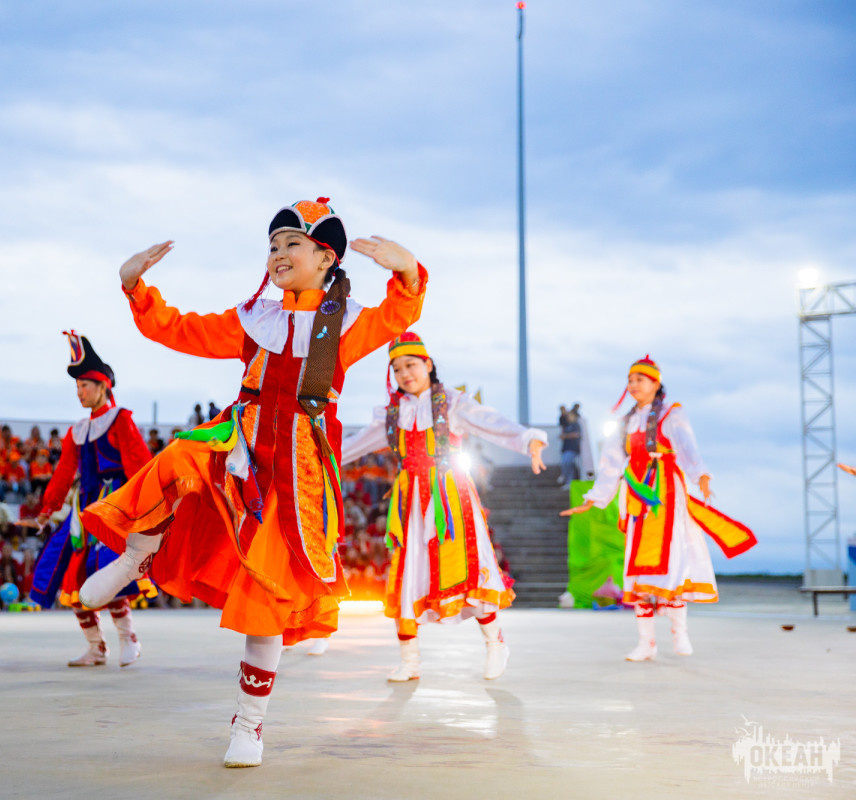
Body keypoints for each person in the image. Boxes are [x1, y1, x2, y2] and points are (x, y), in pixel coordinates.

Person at [77, 199, 427, 767]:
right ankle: (139, 555)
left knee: (269, 589)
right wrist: (135, 288)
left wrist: (407, 270)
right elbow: (182, 330)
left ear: (326, 256)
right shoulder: (254, 318)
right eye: (273, 245)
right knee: (179, 458)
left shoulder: (349, 321)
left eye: (292, 244)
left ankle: (250, 723)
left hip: (297, 472)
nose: (278, 254)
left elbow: (399, 311)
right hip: (241, 444)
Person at [342, 333, 547, 682]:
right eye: (397, 368)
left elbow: (492, 422)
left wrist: (529, 438)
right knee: (407, 574)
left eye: (411, 365)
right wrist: (316, 461)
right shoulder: (393, 414)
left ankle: (495, 643)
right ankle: (410, 660)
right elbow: (354, 446)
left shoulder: (451, 403)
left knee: (470, 566)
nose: (405, 373)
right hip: (410, 500)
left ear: (428, 365)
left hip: (450, 496)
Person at [562, 356, 756, 661]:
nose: (633, 386)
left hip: (666, 493)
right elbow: (612, 464)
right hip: (637, 494)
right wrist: (594, 498)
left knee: (673, 561)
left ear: (655, 383)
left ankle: (680, 633)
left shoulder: (671, 414)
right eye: (630, 380)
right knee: (637, 569)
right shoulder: (625, 422)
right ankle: (646, 643)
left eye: (640, 380)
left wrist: (701, 475)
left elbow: (688, 447)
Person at [29, 332, 154, 668]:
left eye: (85, 385)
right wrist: (47, 510)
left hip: (113, 509)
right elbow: (63, 473)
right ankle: (96, 646)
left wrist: (148, 507)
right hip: (83, 514)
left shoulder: (121, 419)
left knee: (108, 574)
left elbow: (140, 465)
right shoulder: (77, 431)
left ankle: (129, 638)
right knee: (68, 575)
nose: (79, 392)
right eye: (77, 387)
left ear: (103, 386)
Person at [558, 405, 582, 488]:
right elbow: (561, 435)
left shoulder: (576, 425)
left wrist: (566, 436)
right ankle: (566, 478)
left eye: (570, 416)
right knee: (564, 463)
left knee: (568, 463)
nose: (568, 417)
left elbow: (576, 434)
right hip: (565, 448)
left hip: (573, 449)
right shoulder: (566, 426)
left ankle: (569, 481)